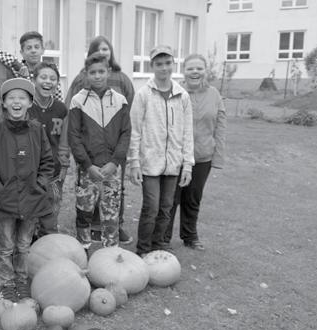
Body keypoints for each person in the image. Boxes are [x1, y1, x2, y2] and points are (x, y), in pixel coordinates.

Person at [0, 78, 54, 302]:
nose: (16, 102)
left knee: (23, 244)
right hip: (4, 200)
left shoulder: (37, 131)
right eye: (11, 98)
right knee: (5, 246)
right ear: (3, 103)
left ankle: (21, 280)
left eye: (21, 98)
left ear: (30, 103)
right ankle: (6, 283)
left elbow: (48, 162)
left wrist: (40, 184)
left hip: (32, 198)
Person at [65, 36, 135, 245]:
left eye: (101, 72)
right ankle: (83, 247)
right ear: (86, 74)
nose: (97, 76)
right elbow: (74, 136)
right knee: (84, 211)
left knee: (111, 213)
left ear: (109, 72)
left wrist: (115, 162)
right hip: (88, 169)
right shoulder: (78, 101)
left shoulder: (119, 100)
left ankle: (110, 251)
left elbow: (125, 133)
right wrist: (87, 165)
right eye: (92, 72)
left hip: (112, 168)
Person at [128, 45, 194, 256]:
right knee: (151, 208)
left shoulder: (182, 95)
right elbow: (135, 130)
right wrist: (134, 162)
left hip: (173, 164)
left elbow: (187, 132)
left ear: (173, 64)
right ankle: (143, 250)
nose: (164, 68)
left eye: (167, 63)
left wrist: (188, 165)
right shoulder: (143, 94)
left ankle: (159, 246)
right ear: (152, 66)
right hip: (149, 163)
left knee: (166, 208)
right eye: (159, 64)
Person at [164, 53, 227, 251]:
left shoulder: (214, 95)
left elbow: (220, 125)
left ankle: (190, 236)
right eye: (191, 68)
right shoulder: (174, 91)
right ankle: (163, 238)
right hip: (176, 156)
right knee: (170, 199)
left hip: (202, 157)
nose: (195, 72)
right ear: (184, 71)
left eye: (199, 68)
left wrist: (218, 156)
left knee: (193, 198)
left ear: (205, 71)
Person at [28, 62, 69, 238]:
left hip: (53, 171)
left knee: (50, 212)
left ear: (57, 83)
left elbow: (64, 141)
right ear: (33, 79)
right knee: (28, 215)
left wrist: (64, 165)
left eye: (53, 78)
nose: (48, 82)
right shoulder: (25, 106)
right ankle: (25, 247)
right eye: (43, 77)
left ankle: (49, 242)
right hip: (29, 171)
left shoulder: (61, 109)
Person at [0, 31, 63, 99]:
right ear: (22, 52)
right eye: (29, 48)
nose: (33, 51)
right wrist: (16, 64)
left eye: (36, 47)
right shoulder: (16, 70)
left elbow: (58, 98)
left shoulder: (50, 71)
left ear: (43, 50)